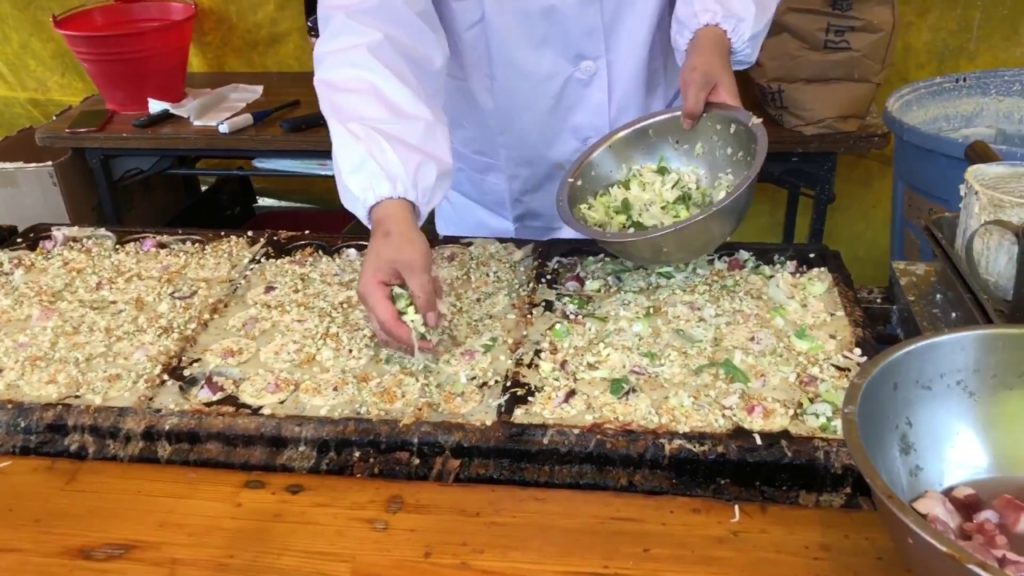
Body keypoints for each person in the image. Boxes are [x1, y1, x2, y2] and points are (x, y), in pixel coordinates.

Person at [313, 0, 779, 351]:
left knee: (665, 343)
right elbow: (371, 29)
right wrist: (391, 206)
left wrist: (713, 27)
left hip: (656, 145)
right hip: (496, 182)